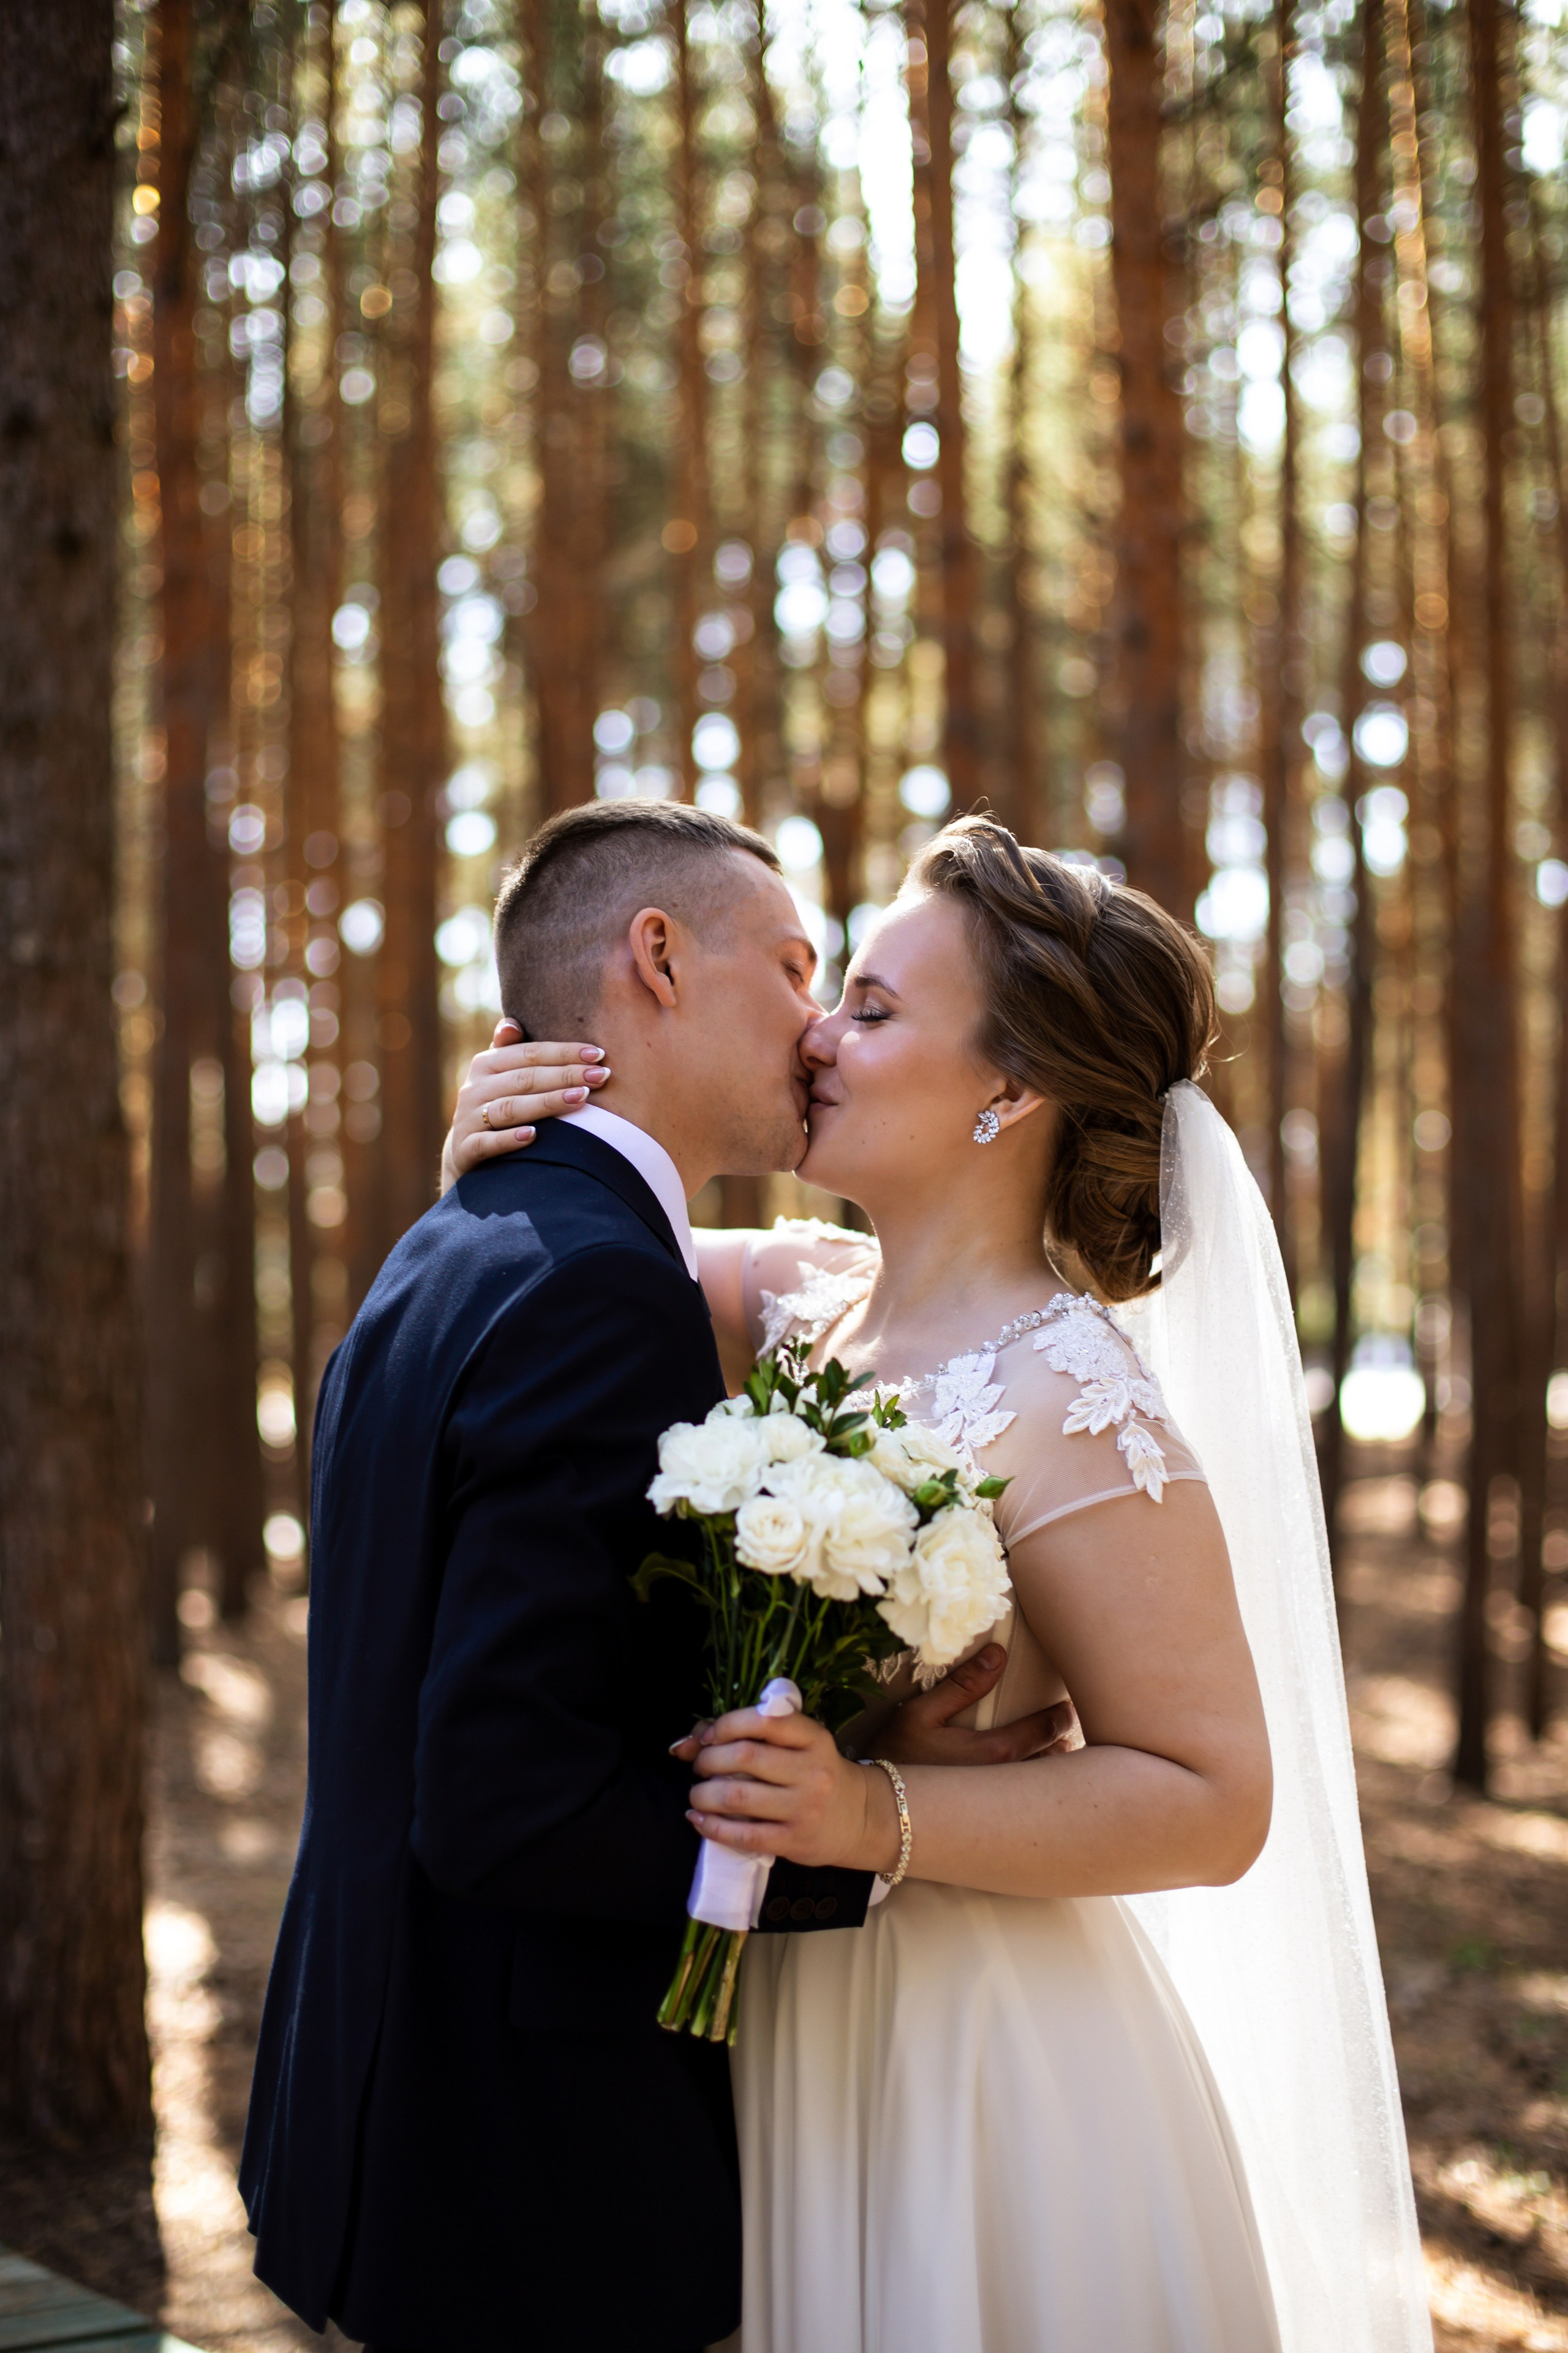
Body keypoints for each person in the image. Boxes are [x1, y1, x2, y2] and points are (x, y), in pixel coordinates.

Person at [449, 814, 1433, 2353]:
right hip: (777, 2030)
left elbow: (1213, 1791)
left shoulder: (1075, 1398)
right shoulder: (792, 1301)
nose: (818, 1034)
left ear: (1012, 1089)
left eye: (876, 1008)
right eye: (838, 990)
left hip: (974, 2062)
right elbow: (558, 1253)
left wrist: (867, 1816)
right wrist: (498, 1130)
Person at [239, 799, 1065, 2353]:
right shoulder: (601, 1291)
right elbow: (503, 1792)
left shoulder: (458, 1237)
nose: (818, 1022)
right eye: (796, 964)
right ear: (659, 958)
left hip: (374, 2104)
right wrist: (844, 1840)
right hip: (526, 2165)